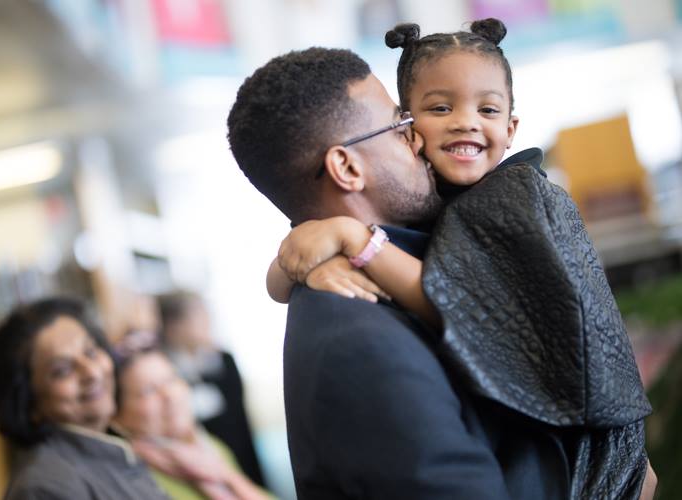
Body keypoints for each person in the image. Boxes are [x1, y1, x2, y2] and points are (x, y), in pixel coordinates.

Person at [266, 20, 655, 499]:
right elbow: (290, 266)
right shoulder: (432, 202)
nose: (466, 121)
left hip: (600, 452)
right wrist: (295, 260)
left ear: (511, 128)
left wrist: (357, 240)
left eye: (488, 109)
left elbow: (473, 312)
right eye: (440, 107)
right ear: (408, 128)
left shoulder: (517, 197)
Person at [228, 43, 574, 498]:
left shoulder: (442, 235)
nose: (419, 139)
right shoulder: (355, 340)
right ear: (347, 167)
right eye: (399, 125)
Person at [0, 297, 168, 500]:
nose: (92, 372)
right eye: (62, 371)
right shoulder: (44, 489)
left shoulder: (115, 446)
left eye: (91, 352)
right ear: (27, 402)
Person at [112, 336, 273, 500]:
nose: (169, 395)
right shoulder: (134, 479)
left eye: (171, 379)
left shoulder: (210, 447)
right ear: (117, 417)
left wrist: (229, 476)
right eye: (148, 391)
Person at [157, 291, 266, 488]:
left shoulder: (224, 360)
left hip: (241, 453)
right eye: (197, 315)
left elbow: (239, 418)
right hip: (200, 463)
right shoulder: (166, 372)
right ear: (173, 326)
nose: (207, 321)